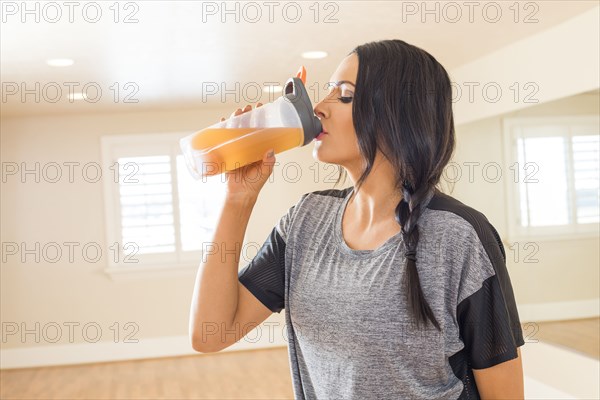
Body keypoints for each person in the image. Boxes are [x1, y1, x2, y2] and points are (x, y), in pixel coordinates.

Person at [189, 39, 525, 400]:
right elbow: (210, 333)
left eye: (344, 95)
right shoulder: (305, 222)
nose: (318, 108)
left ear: (396, 113)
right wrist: (238, 198)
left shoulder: (458, 237)